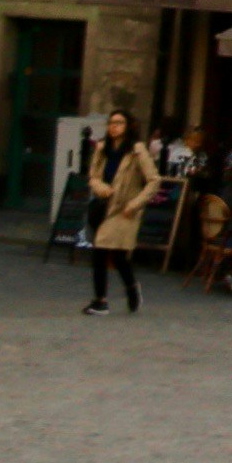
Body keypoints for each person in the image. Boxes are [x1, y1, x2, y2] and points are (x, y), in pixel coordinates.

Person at [78, 110, 158, 316]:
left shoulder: (137, 150)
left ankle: (103, 300)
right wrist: (100, 187)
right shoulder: (102, 148)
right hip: (105, 205)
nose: (114, 126)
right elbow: (93, 175)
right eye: (111, 122)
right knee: (109, 253)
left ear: (128, 125)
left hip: (125, 209)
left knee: (110, 251)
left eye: (119, 122)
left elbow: (154, 180)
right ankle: (114, 294)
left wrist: (136, 204)